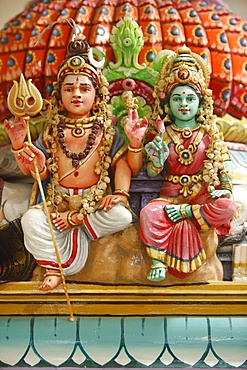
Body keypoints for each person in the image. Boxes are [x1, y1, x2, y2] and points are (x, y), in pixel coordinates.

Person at [4, 36, 135, 290]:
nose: (76, 94)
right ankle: (54, 268)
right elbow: (39, 175)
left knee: (121, 216)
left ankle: (78, 226)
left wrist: (120, 193)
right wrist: (21, 145)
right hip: (57, 200)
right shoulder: (51, 131)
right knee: (31, 219)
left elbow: (122, 164)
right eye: (69, 88)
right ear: (59, 96)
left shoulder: (106, 131)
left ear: (97, 97)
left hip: (93, 204)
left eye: (84, 89)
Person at [125, 46, 237, 282]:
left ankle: (187, 214)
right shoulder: (163, 135)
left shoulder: (209, 134)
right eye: (177, 98)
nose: (183, 104)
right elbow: (154, 171)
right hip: (170, 196)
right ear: (167, 104)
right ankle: (157, 260)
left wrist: (222, 189)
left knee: (227, 206)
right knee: (148, 214)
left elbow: (223, 169)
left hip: (200, 196)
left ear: (201, 103)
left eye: (189, 98)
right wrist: (156, 159)